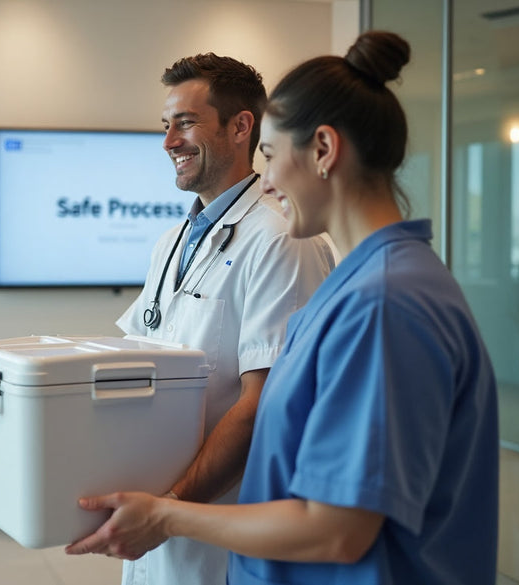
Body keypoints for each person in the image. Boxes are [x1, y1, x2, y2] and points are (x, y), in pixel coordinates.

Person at [67, 31, 500, 584]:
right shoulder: (364, 287)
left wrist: (168, 513)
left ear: (323, 150)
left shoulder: (387, 303)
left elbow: (338, 529)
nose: (265, 181)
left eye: (269, 155)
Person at [111, 53, 334, 585]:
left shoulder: (281, 238)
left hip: (221, 531)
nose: (169, 141)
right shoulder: (171, 243)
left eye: (186, 122)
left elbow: (264, 404)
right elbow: (137, 361)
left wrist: (171, 508)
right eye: (166, 125)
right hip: (156, 515)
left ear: (240, 127)